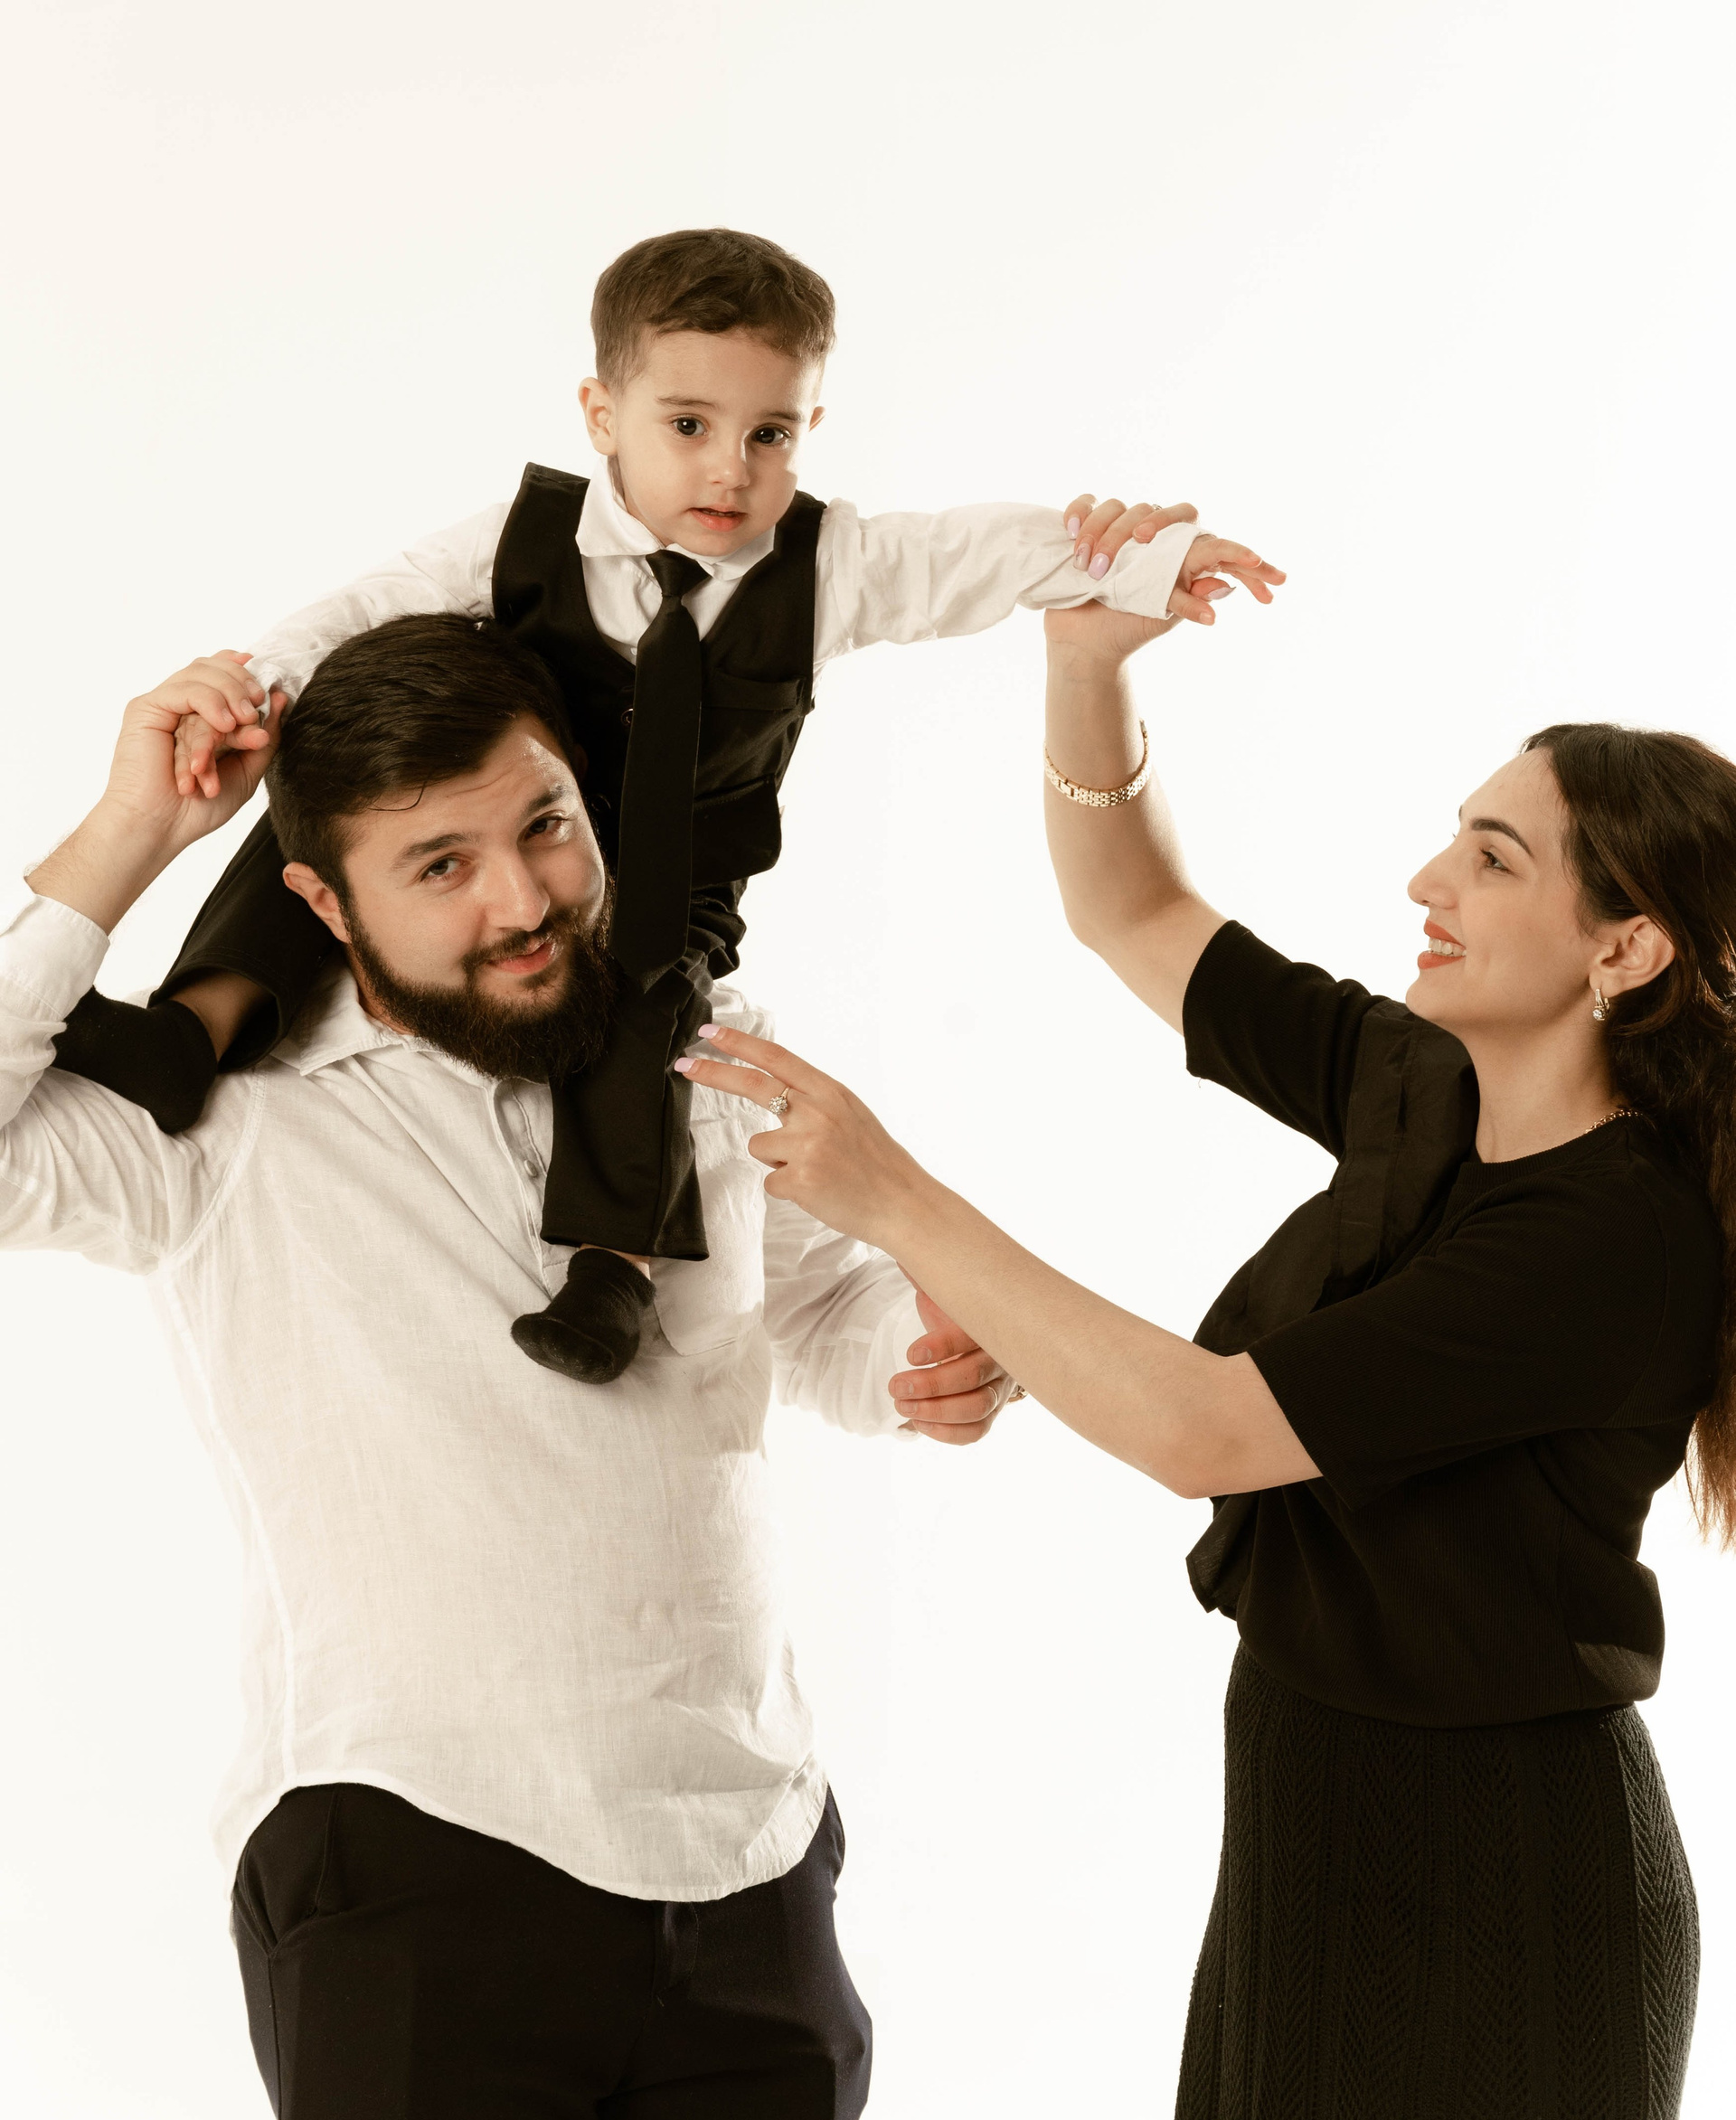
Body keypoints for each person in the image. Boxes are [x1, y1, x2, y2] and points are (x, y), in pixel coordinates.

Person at [681, 592, 1734, 2120]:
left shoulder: (1613, 1237)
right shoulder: (1425, 1085)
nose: (1428, 881)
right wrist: (1086, 662)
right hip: (1319, 1829)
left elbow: (1205, 1431)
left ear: (1627, 948)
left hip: (1504, 1880)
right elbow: (1133, 908)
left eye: (1495, 860)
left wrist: (895, 1199)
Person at [5, 613, 1020, 2120]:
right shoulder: (220, 1123)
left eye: (545, 826)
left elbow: (814, 1310)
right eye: (441, 865)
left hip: (750, 1861)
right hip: (418, 1855)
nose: (525, 899)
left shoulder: (706, 1045)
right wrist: (127, 832)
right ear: (322, 901)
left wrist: (929, 1358)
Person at [48, 224, 1277, 1385]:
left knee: (651, 1019)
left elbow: (971, 554)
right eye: (689, 424)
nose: (730, 470)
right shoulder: (521, 540)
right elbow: (365, 607)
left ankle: (613, 1267)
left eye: (770, 434)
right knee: (309, 824)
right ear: (603, 414)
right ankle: (196, 1028)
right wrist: (251, 687)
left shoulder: (829, 562)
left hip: (676, 876)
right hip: (537, 841)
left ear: (810, 430)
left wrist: (1147, 559)